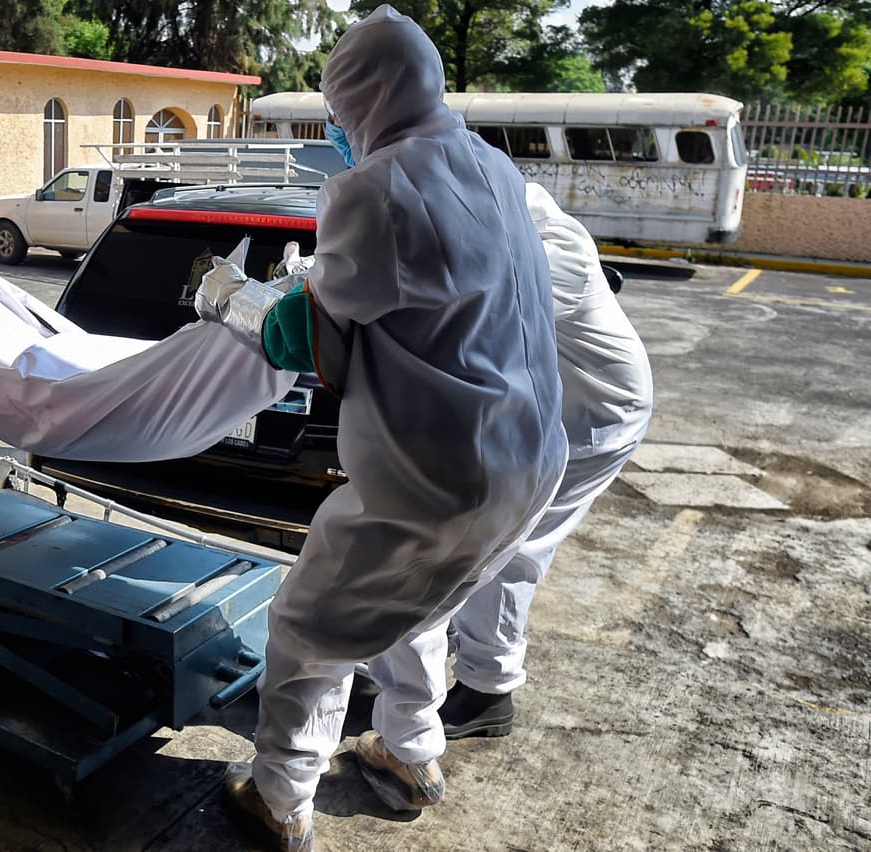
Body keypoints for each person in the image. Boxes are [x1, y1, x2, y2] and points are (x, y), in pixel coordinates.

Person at [192, 6, 568, 849]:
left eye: (338, 110)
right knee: (419, 605)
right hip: (531, 459)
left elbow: (311, 342)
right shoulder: (493, 169)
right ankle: (411, 754)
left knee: (307, 628)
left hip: (443, 477)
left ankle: (279, 798)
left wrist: (234, 302)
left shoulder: (379, 189)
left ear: (364, 97)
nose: (339, 128)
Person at [441, 183, 653, 738]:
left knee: (515, 544)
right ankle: (449, 646)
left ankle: (487, 692)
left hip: (595, 417)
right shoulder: (508, 232)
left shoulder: (558, 253)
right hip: (546, 407)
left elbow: (477, 320)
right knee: (473, 533)